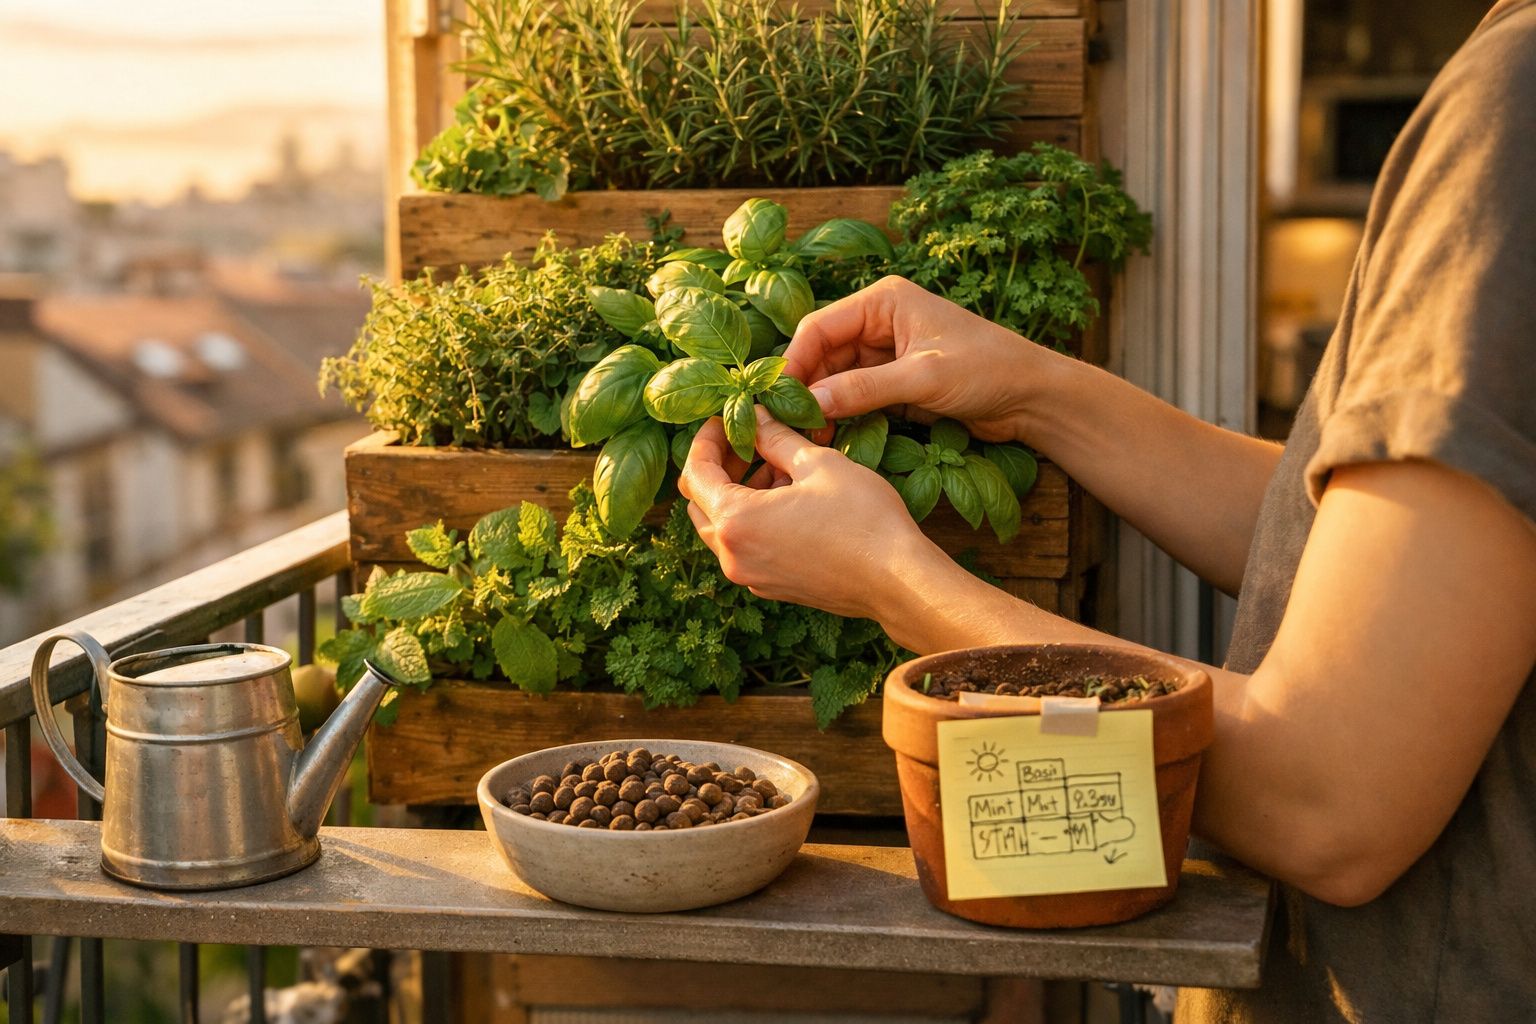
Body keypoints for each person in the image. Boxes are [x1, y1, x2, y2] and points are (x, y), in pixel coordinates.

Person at [678, 2, 1536, 1019]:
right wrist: (1037, 391)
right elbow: (1381, 571)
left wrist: (892, 580)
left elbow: (1329, 801)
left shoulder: (1519, 105)